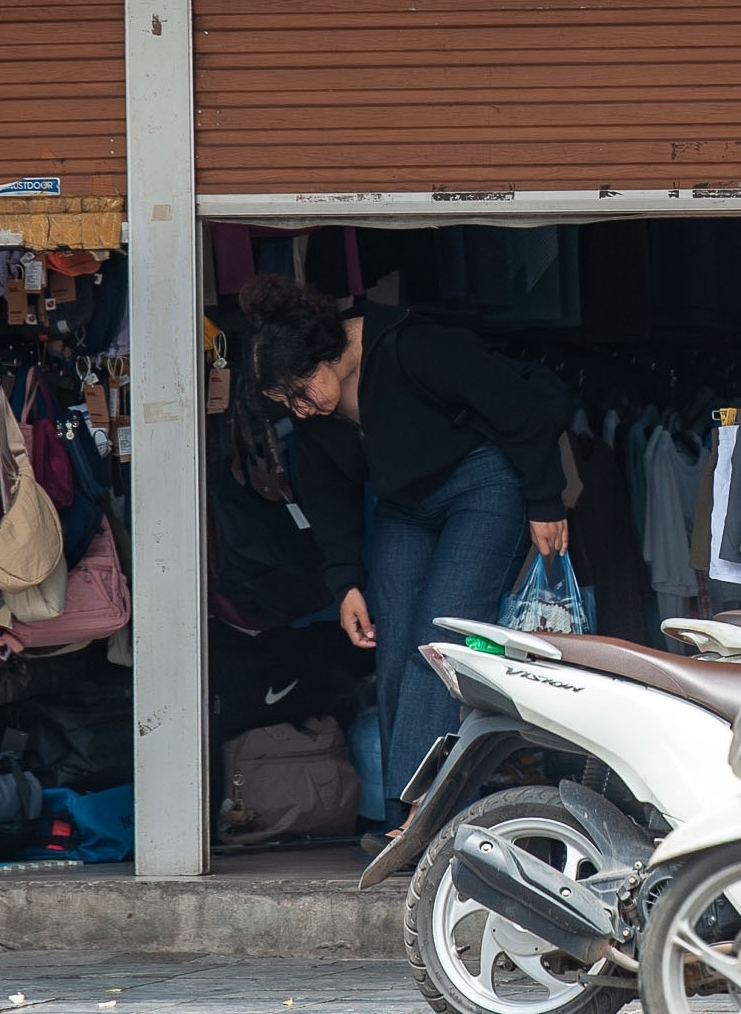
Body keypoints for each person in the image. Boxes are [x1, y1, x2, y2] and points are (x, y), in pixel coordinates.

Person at [240, 274, 570, 852]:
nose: (301, 409)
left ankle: (425, 814)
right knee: (395, 645)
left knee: (437, 638)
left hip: (483, 483)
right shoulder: (315, 411)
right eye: (285, 404)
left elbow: (519, 409)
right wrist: (344, 580)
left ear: (328, 355)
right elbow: (325, 492)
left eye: (300, 391)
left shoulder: (414, 347)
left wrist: (545, 499)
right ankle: (410, 808)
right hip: (406, 506)